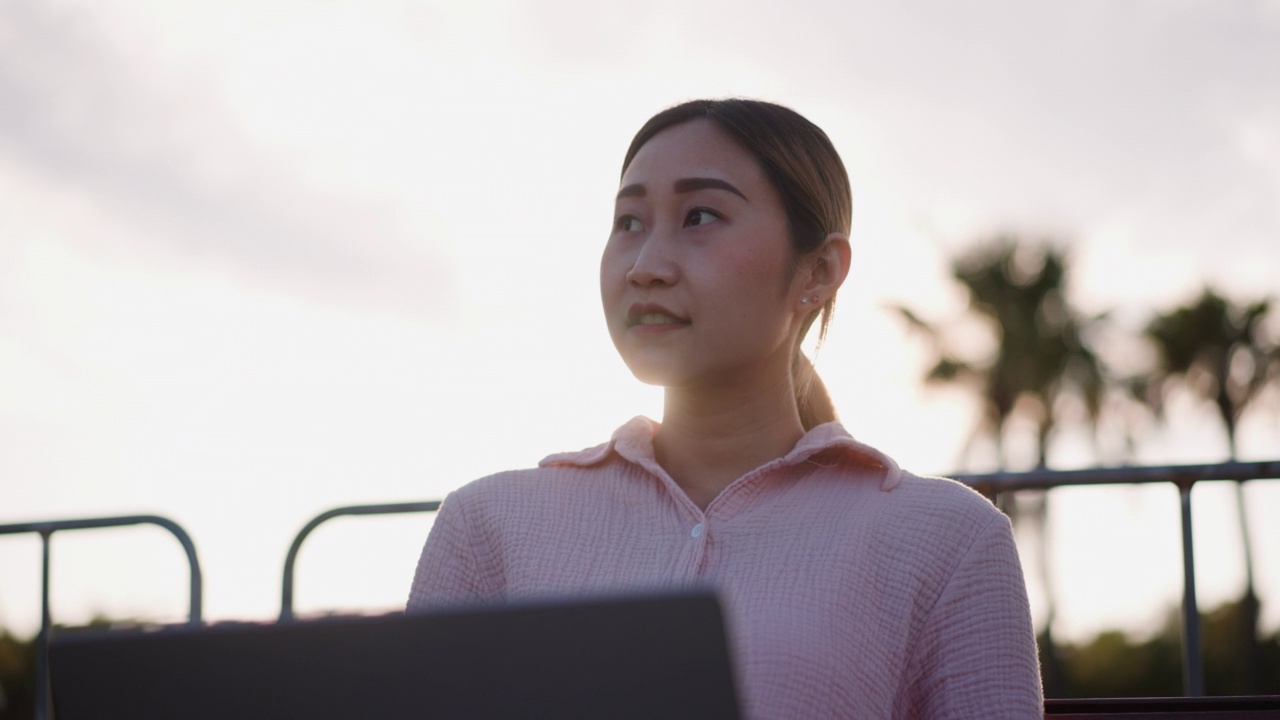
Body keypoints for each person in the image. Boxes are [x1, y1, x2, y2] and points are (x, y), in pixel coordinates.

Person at [408, 98, 1043, 718]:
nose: (646, 266)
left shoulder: (948, 539)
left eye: (700, 217)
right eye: (628, 222)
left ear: (818, 270)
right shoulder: (486, 525)